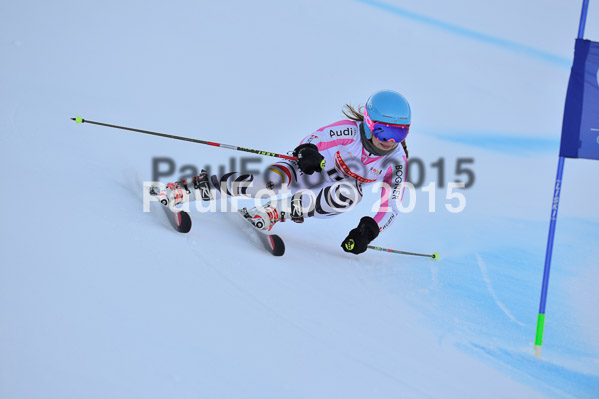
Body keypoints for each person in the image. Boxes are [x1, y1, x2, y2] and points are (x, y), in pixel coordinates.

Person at [151, 89, 410, 255]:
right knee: (265, 184)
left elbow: (392, 205)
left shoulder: (396, 162)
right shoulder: (347, 131)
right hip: (302, 172)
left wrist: (369, 230)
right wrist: (307, 152)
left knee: (349, 193)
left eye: (399, 132)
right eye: (383, 131)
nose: (389, 140)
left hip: (324, 199)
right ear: (368, 122)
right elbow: (314, 139)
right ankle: (188, 188)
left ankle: (273, 212)